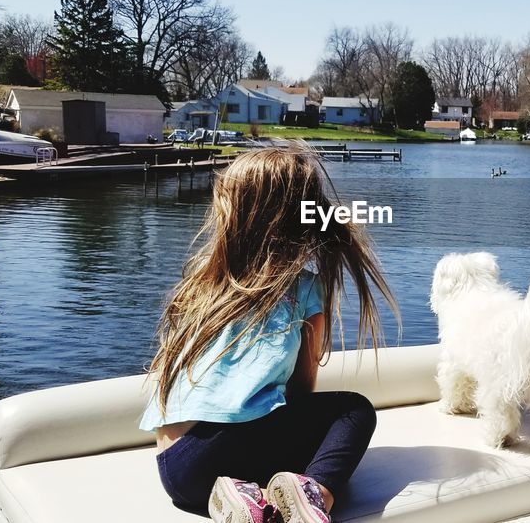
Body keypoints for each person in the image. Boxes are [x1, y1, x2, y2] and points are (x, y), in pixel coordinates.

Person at [141, 144, 398, 523]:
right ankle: (313, 496)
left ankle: (243, 495)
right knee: (352, 410)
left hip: (174, 468)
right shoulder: (304, 289)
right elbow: (300, 390)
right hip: (225, 451)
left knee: (252, 431)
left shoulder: (200, 287)